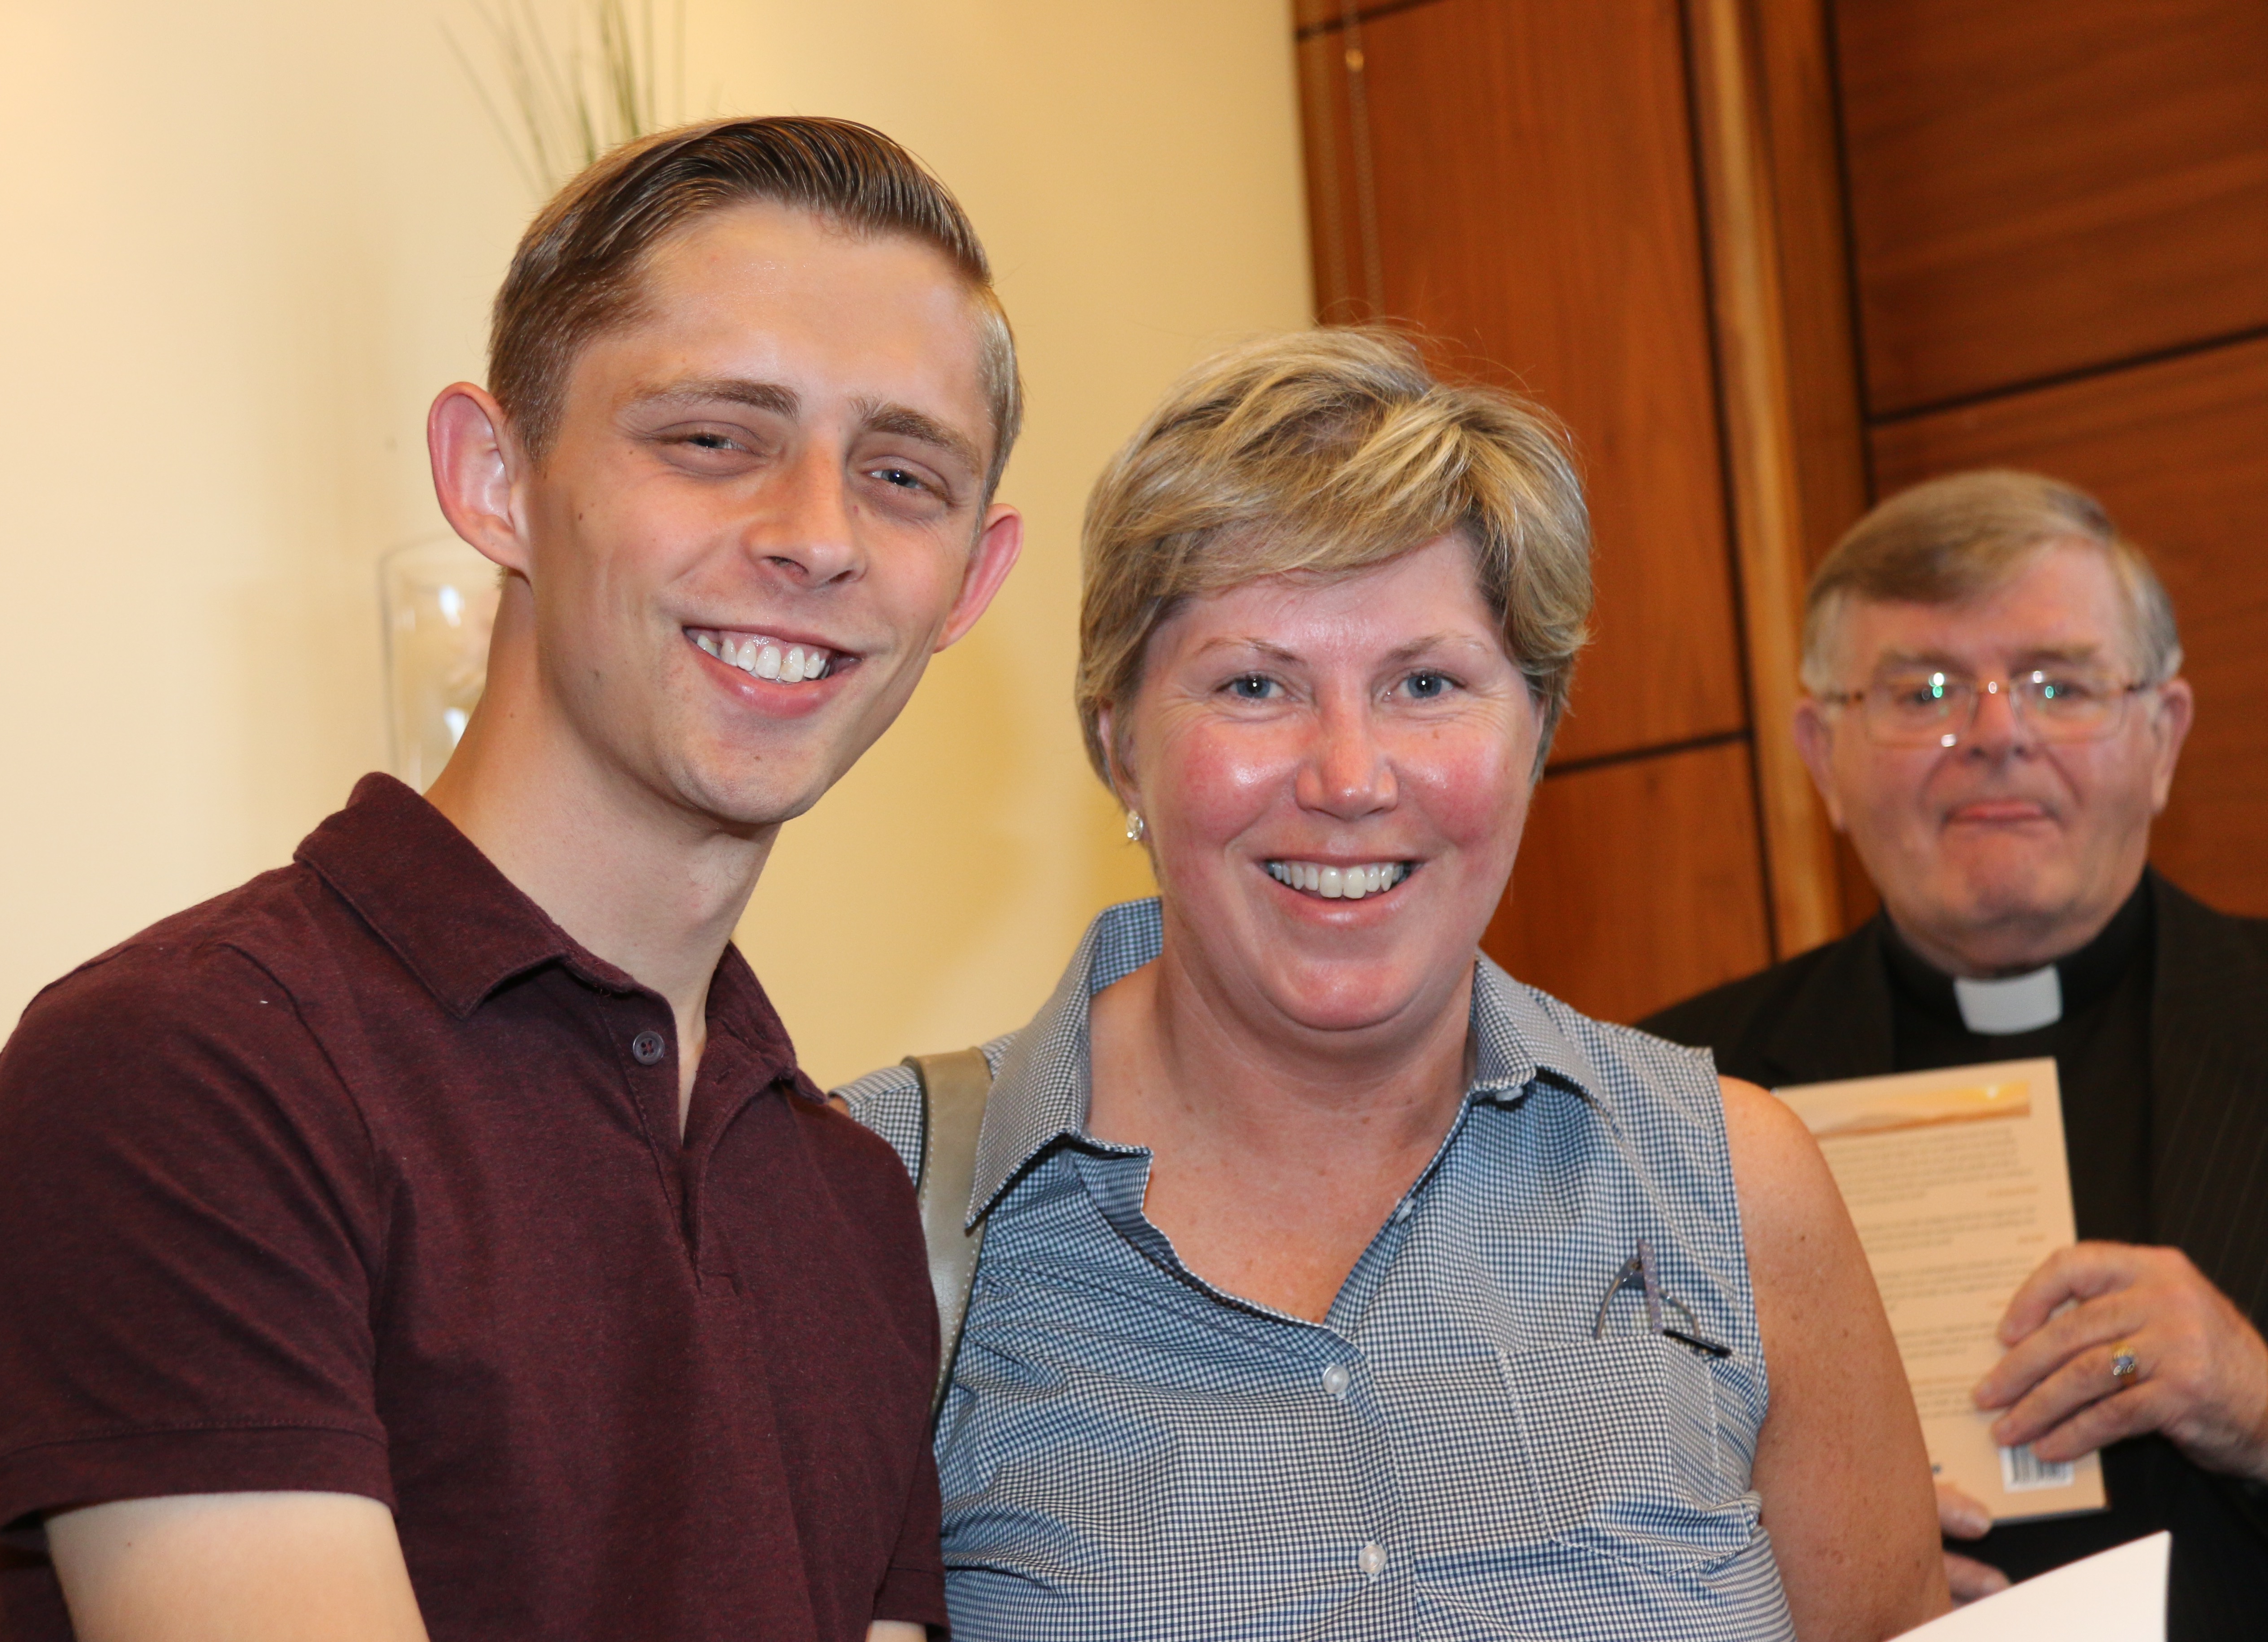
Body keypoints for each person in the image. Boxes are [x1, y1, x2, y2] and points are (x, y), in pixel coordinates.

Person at [0, 117, 1026, 1642]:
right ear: (492, 477)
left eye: (904, 475)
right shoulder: (190, 1073)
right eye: (713, 439)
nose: (816, 537)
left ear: (971, 581)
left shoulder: (850, 1205)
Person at [838, 329, 1945, 1641]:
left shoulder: (1735, 1188)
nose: (1350, 777)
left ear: (1538, 730)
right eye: (1256, 685)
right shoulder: (863, 1199)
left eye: (1427, 683)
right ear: (1119, 742)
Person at [1642, 470, 2268, 1637]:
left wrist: (2256, 1400)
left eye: (2058, 684)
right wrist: (1781, 1563)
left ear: (2163, 736)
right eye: (1923, 690)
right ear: (1822, 756)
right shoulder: (1663, 1099)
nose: (1996, 734)